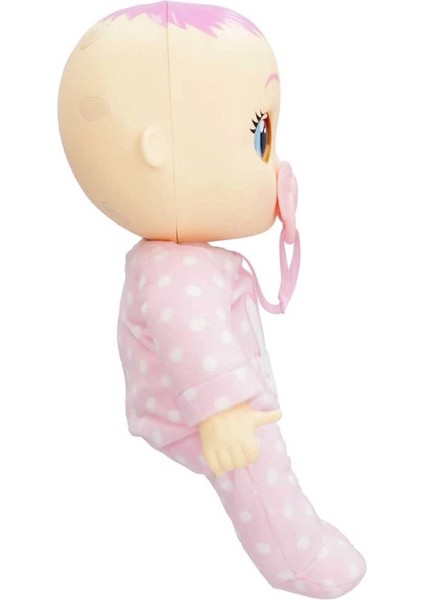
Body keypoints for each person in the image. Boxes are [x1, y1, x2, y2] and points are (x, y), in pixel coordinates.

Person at [58, 3, 366, 596]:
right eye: (259, 137)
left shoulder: (179, 260)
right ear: (158, 149)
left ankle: (298, 533)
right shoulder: (175, 273)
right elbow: (191, 338)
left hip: (217, 407)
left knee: (261, 459)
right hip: (207, 417)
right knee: (259, 472)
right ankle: (298, 558)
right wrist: (222, 411)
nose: (275, 165)